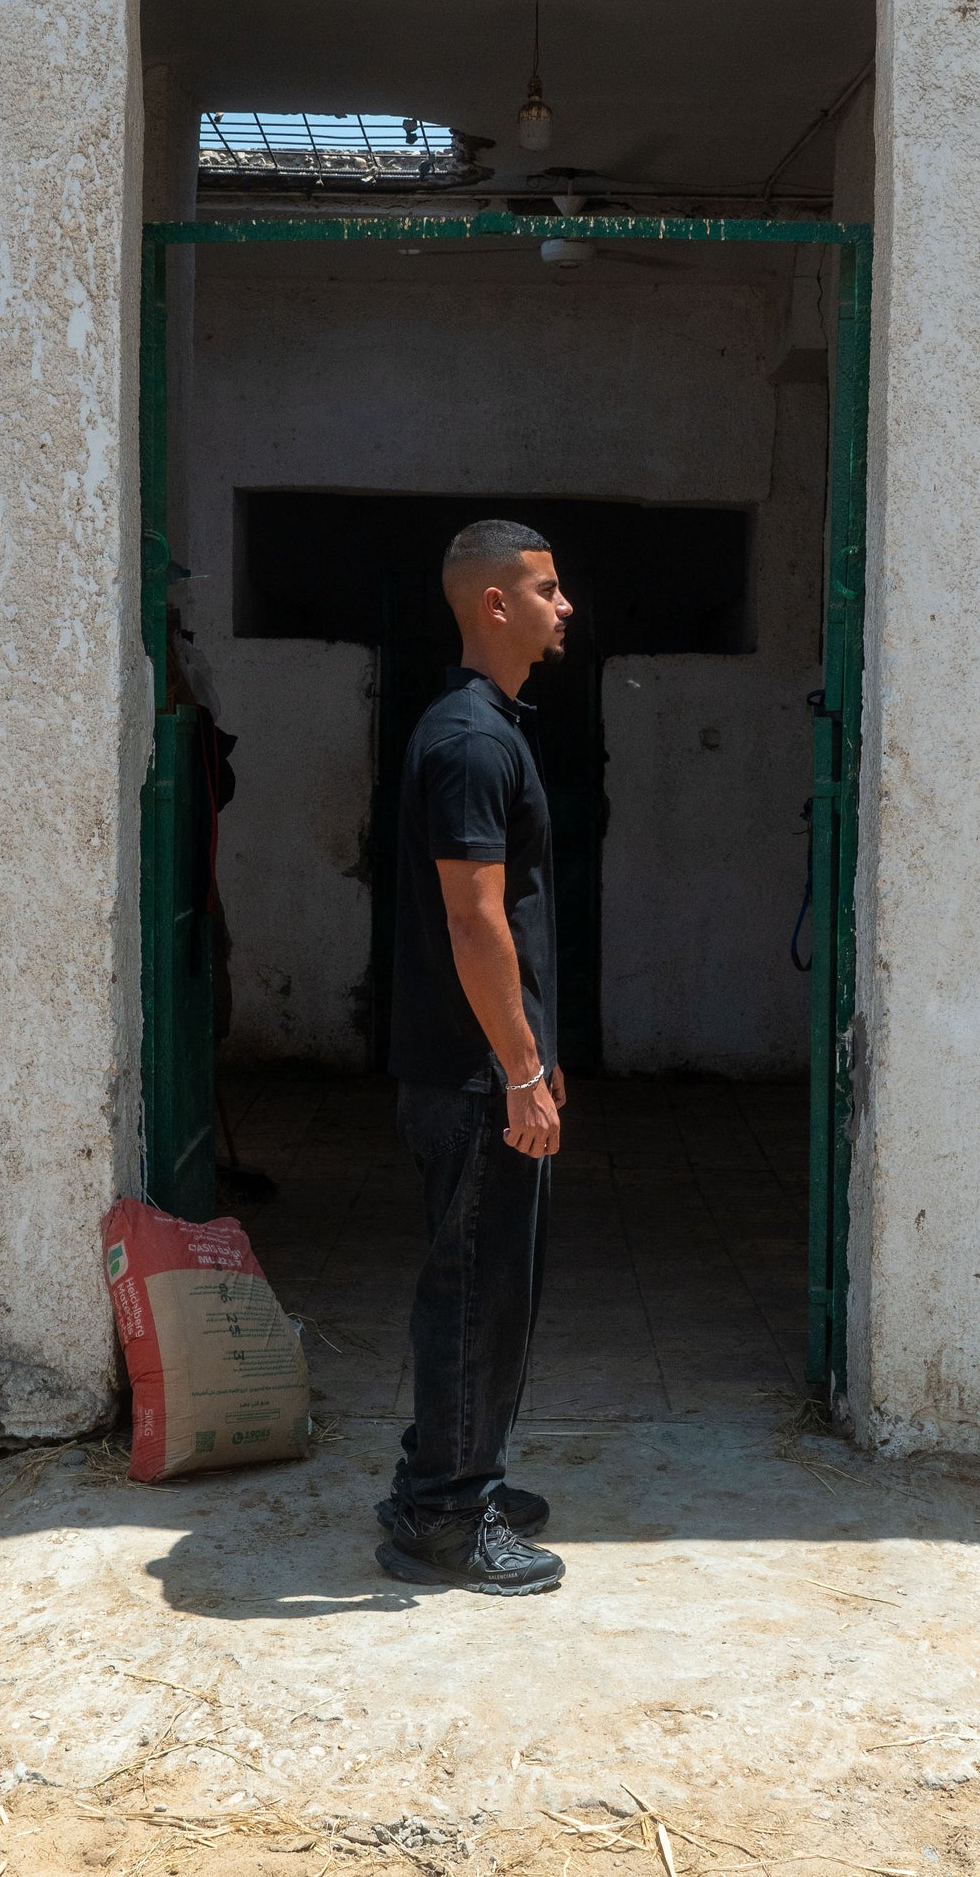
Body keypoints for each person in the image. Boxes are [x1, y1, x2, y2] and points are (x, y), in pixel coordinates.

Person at [375, 520, 574, 1596]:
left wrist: (534, 1053)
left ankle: (451, 1476)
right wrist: (517, 1070)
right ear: (494, 604)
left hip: (483, 1067)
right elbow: (474, 921)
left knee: (485, 1287)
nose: (564, 606)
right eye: (547, 589)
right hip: (468, 1076)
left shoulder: (489, 726)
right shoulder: (468, 741)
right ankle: (445, 1516)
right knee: (473, 1293)